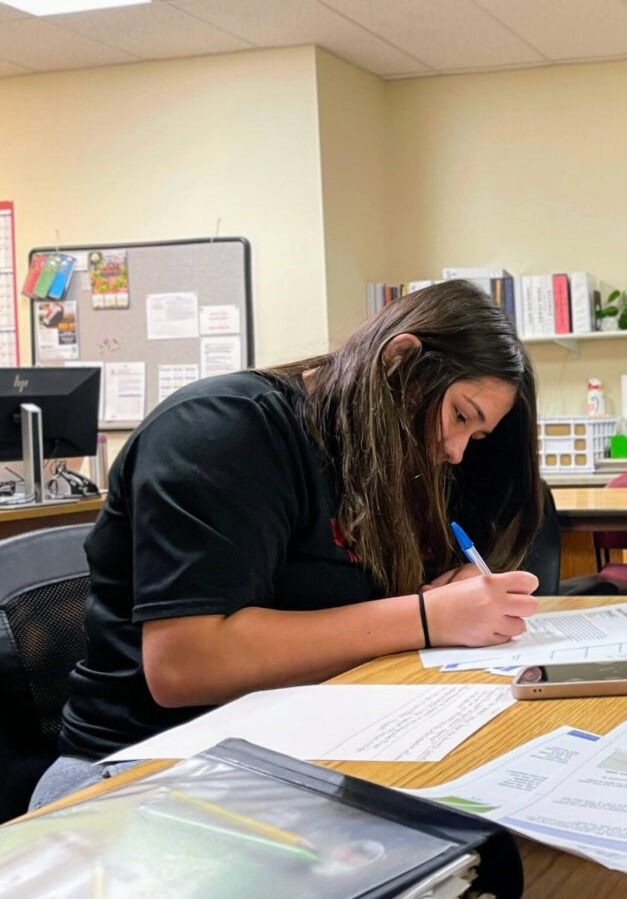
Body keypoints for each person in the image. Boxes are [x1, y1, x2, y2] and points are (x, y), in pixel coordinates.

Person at [32, 280, 544, 809]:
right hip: (144, 764)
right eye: (460, 415)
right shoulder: (221, 432)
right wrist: (425, 616)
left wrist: (457, 584)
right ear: (399, 361)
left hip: (306, 741)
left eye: (476, 436)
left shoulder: (394, 458)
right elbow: (186, 664)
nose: (457, 451)